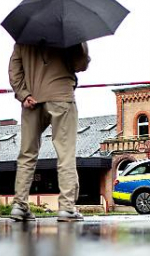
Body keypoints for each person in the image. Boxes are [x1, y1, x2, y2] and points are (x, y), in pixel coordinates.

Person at [8, 42, 90, 222]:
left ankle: (19, 206)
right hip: (61, 98)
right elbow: (80, 64)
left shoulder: (23, 39)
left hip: (32, 101)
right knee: (65, 153)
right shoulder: (68, 34)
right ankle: (67, 208)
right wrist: (81, 44)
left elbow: (14, 70)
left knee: (27, 154)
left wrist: (23, 94)